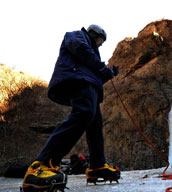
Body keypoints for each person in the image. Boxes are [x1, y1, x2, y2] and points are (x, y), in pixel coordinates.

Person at [22, 24, 120, 192]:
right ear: (93, 34)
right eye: (99, 40)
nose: (100, 44)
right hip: (77, 80)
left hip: (89, 85)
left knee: (95, 125)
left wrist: (109, 73)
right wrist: (100, 66)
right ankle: (42, 164)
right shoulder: (77, 36)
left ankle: (97, 165)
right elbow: (80, 50)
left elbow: (94, 72)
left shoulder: (92, 54)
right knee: (83, 113)